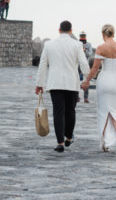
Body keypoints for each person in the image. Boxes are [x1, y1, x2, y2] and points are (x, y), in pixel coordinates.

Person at [35, 20, 90, 153]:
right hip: (72, 84)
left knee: (58, 113)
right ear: (71, 31)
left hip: (55, 84)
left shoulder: (49, 45)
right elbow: (83, 63)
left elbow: (43, 65)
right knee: (70, 111)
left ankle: (60, 142)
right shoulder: (77, 44)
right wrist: (87, 79)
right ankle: (69, 137)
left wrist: (39, 84)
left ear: (59, 30)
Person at [81, 24, 116, 152]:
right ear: (113, 33)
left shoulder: (101, 48)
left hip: (104, 80)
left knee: (104, 112)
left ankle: (105, 143)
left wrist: (86, 81)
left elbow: (95, 68)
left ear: (103, 34)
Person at [79, 30, 94, 103]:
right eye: (81, 36)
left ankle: (86, 97)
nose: (82, 37)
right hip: (77, 64)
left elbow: (90, 54)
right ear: (79, 36)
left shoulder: (89, 44)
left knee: (86, 80)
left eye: (84, 36)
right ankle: (76, 97)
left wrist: (85, 51)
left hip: (86, 64)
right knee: (76, 80)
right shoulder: (77, 44)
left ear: (85, 36)